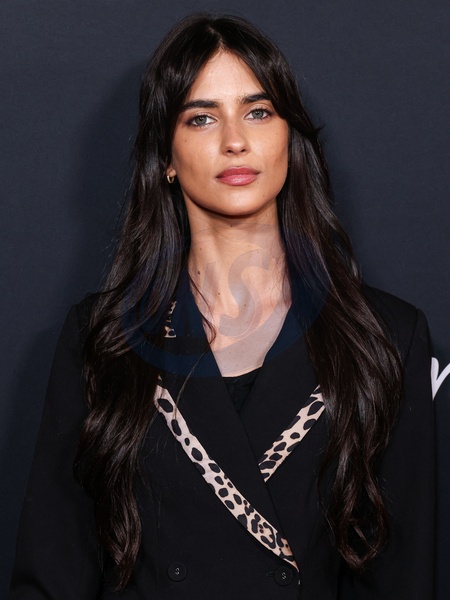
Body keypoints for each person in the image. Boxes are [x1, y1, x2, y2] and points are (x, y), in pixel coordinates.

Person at [9, 13, 434, 600]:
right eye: (202, 117)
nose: (235, 140)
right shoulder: (104, 339)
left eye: (258, 112)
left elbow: (403, 575)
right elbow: (52, 572)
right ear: (166, 154)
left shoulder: (384, 336)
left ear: (289, 138)